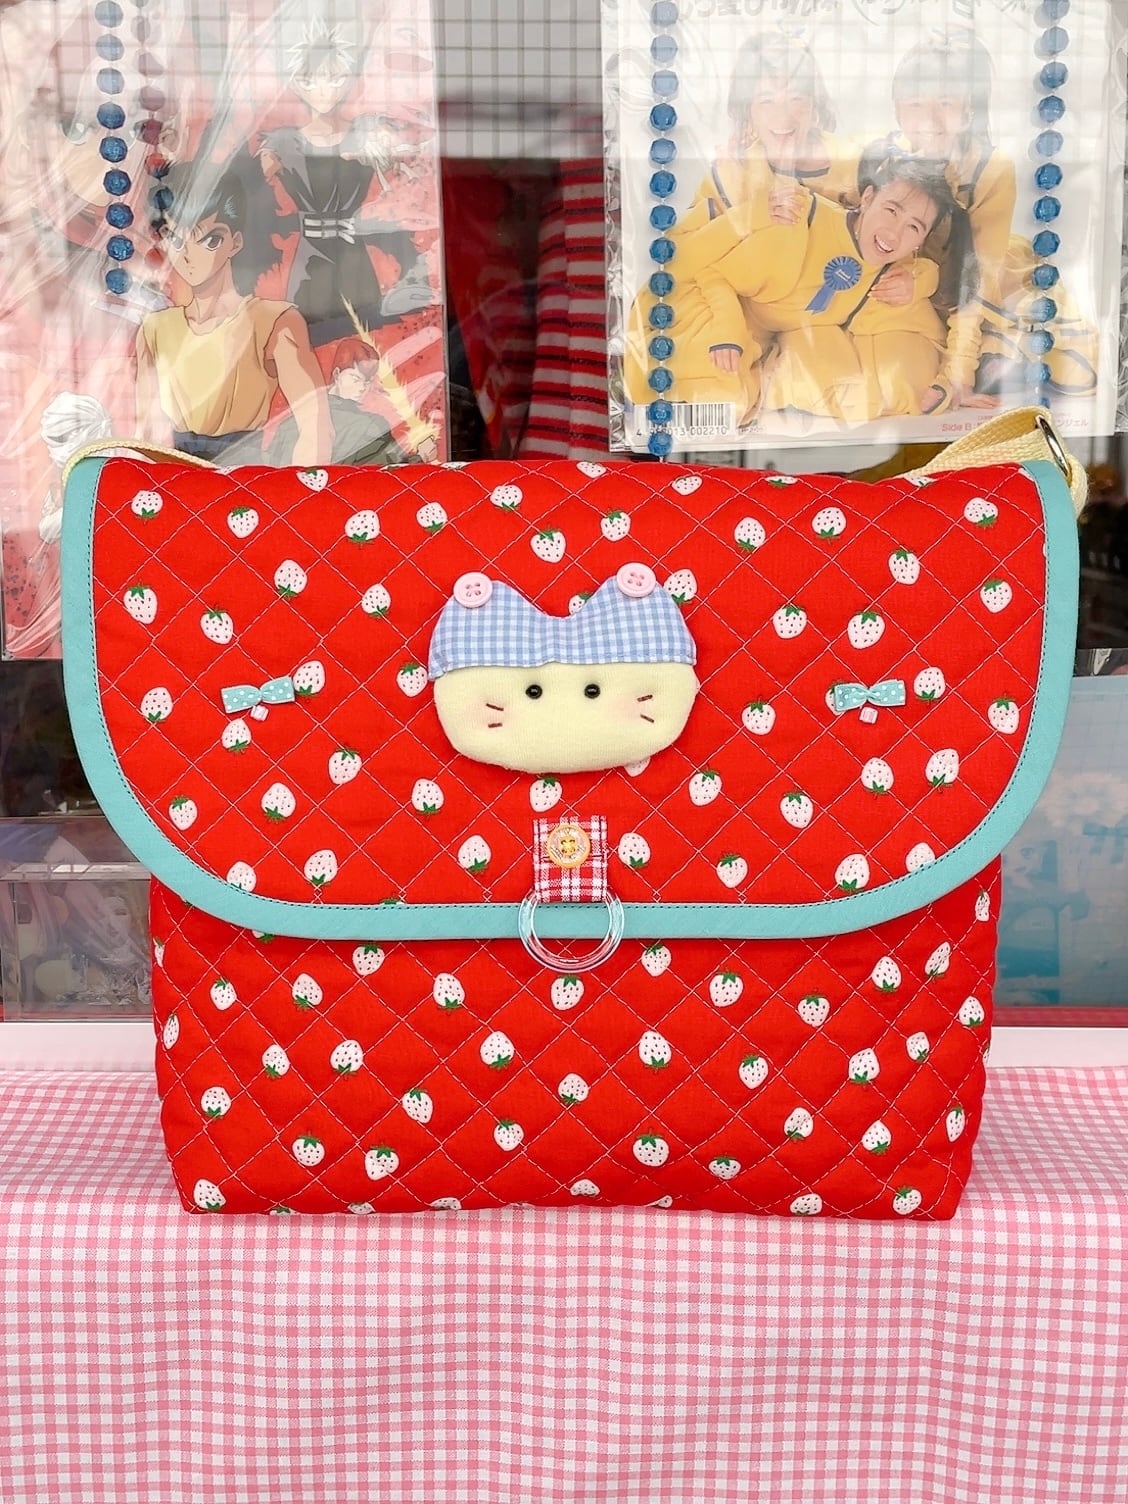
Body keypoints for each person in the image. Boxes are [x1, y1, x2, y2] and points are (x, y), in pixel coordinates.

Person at [625, 155, 954, 426]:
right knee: (725, 400)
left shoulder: (891, 272)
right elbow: (713, 273)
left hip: (763, 337)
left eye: (913, 227)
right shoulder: (797, 219)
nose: (894, 234)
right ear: (867, 199)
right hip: (709, 304)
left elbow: (922, 331)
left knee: (846, 387)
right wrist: (727, 332)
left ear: (922, 240)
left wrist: (945, 386)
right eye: (891, 211)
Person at [872, 32, 1097, 411]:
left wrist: (958, 373)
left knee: (1066, 370)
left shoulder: (991, 167)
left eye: (946, 103)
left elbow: (974, 279)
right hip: (922, 285)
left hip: (985, 282)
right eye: (915, 104)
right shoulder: (885, 157)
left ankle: (997, 350)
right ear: (896, 110)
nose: (929, 119)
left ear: (968, 109)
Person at [135, 164, 332, 465]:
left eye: (210, 239)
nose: (188, 255)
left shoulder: (273, 322)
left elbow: (316, 428)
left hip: (247, 475)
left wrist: (294, 492)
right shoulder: (155, 328)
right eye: (174, 239)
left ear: (235, 242)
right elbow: (144, 432)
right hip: (176, 477)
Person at [257, 18, 435, 346]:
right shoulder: (282, 144)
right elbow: (257, 207)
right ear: (296, 83)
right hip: (309, 262)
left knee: (366, 343)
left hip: (354, 260)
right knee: (309, 342)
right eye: (310, 80)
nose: (324, 90)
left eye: (334, 78)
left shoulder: (365, 134)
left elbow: (406, 182)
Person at [674, 34, 860, 259]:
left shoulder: (856, 164)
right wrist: (753, 214)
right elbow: (680, 255)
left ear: (814, 102)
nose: (783, 115)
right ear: (748, 110)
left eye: (796, 98)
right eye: (766, 101)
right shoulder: (731, 172)